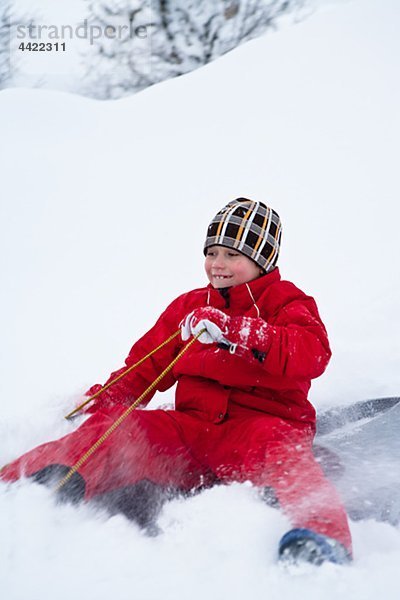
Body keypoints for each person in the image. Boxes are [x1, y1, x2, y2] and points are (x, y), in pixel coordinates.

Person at [0, 198, 352, 565]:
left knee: (284, 453)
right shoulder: (189, 307)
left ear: (262, 259)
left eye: (233, 254)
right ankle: (25, 483)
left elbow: (311, 353)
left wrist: (240, 332)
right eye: (212, 252)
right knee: (120, 427)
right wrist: (102, 398)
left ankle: (320, 536)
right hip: (191, 432)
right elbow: (145, 367)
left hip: (257, 431)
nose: (218, 264)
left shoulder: (288, 303)